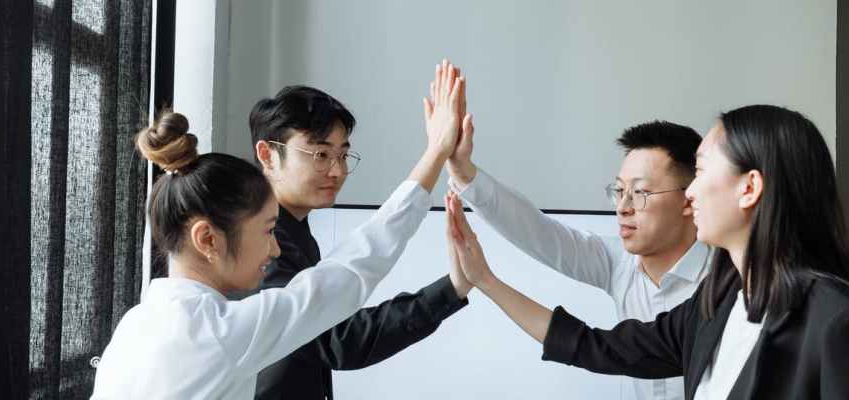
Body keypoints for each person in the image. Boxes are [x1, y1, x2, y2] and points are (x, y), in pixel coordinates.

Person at [445, 105, 849, 399]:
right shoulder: (717, 309)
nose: (691, 196)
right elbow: (594, 346)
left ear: (750, 188)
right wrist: (485, 280)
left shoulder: (842, 326)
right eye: (619, 192)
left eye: (701, 173)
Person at [91, 60, 469, 399]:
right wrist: (435, 154)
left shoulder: (134, 326)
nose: (272, 250)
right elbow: (348, 279)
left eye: (342, 155)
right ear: (208, 239)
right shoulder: (224, 334)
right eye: (320, 154)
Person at [232, 60, 475, 399]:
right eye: (320, 154)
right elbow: (341, 341)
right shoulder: (262, 241)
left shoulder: (294, 231)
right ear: (268, 155)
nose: (336, 171)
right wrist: (452, 288)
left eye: (343, 156)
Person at [446, 117, 707, 400]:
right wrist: (464, 173)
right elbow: (539, 233)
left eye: (640, 192)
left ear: (689, 199)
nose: (622, 207)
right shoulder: (617, 261)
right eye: (619, 191)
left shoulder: (731, 281)